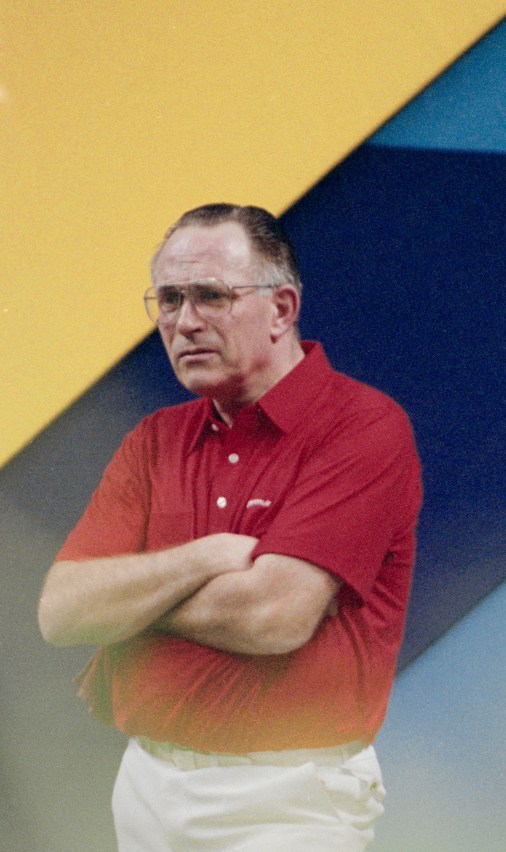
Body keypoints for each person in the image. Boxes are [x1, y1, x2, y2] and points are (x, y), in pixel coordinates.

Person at [38, 203, 422, 851]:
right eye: (169, 299)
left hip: (289, 802)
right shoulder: (154, 441)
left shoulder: (362, 426)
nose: (185, 323)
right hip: (144, 785)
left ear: (281, 309)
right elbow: (61, 610)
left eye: (212, 296)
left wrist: (129, 598)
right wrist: (202, 558)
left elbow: (272, 615)